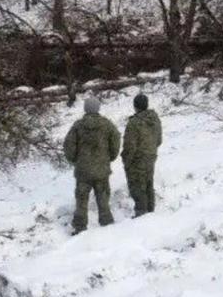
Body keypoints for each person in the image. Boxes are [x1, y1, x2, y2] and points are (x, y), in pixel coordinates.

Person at [63, 97, 121, 234]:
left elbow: (68, 145)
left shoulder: (78, 126)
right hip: (101, 169)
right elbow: (116, 141)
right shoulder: (107, 125)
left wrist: (74, 160)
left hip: (83, 170)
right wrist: (110, 157)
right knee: (103, 198)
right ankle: (107, 225)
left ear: (85, 108)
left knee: (81, 200)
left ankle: (80, 227)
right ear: (98, 108)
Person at [122, 94, 162, 217]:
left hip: (138, 159)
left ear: (135, 106)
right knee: (149, 184)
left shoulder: (134, 123)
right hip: (151, 157)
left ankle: (141, 215)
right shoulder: (155, 119)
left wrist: (126, 162)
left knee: (137, 187)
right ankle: (151, 213)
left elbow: (130, 146)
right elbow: (159, 140)